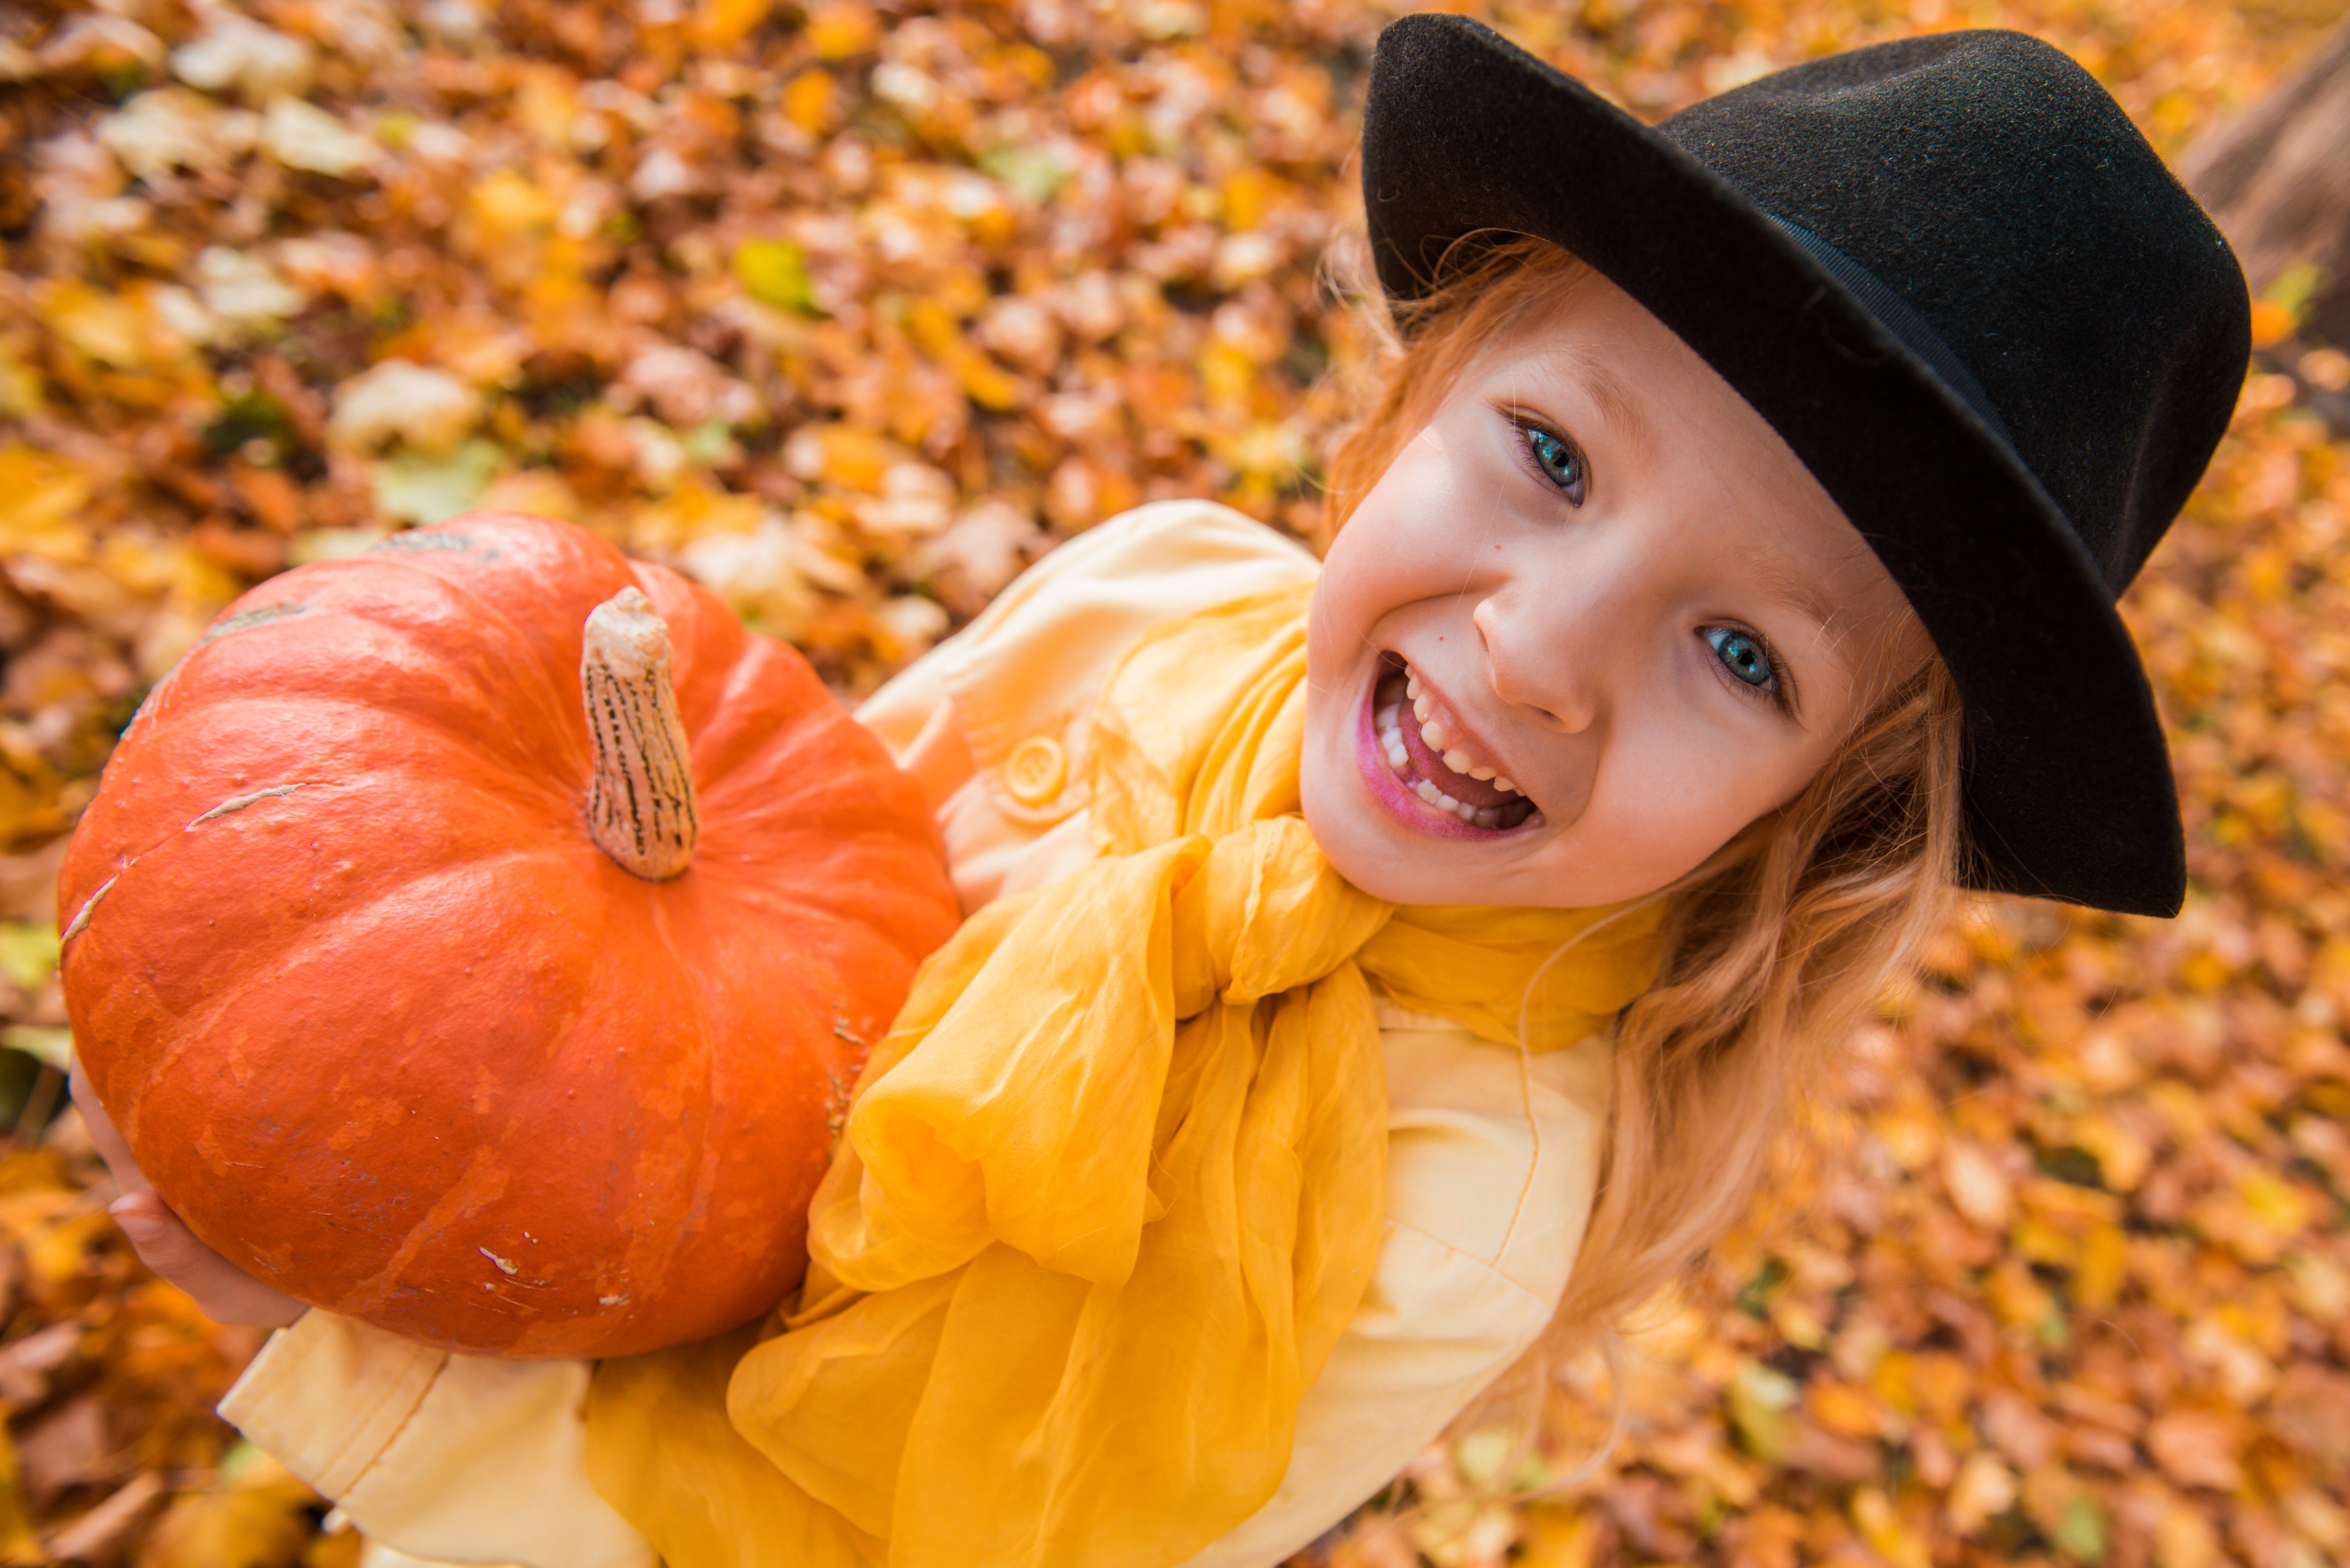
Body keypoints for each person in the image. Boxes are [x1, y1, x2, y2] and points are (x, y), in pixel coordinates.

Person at [77, 16, 2249, 1568]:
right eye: (1553, 456)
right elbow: (733, 936)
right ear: (1423, 392)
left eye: (1743, 653)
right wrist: (367, 1143)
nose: (1535, 652)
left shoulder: (1461, 1197)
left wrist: (360, 1370)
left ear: (1822, 816)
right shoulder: (1157, 593)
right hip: (551, 1282)